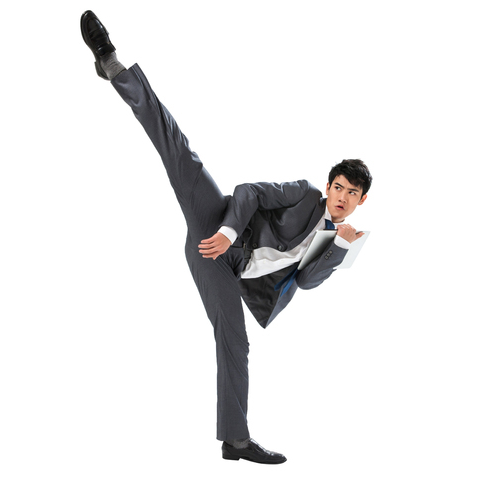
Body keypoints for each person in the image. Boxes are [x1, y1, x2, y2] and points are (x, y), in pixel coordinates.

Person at [80, 10, 372, 464]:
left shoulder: (339, 238)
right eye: (338, 187)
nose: (341, 197)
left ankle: (236, 442)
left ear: (361, 201)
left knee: (234, 342)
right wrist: (226, 230)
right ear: (329, 184)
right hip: (216, 222)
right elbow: (250, 191)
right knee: (179, 150)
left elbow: (307, 281)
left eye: (351, 194)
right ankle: (113, 64)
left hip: (223, 267)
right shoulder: (305, 193)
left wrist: (342, 245)